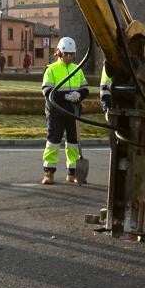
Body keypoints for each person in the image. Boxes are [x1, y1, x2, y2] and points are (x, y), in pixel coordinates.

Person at [39, 36, 88, 185]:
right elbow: (48, 92)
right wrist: (67, 96)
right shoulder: (51, 69)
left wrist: (79, 94)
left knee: (73, 143)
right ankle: (49, 172)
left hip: (73, 111)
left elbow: (85, 88)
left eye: (71, 54)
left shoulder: (77, 69)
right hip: (56, 112)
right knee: (53, 142)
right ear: (59, 53)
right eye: (66, 54)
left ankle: (72, 173)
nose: (69, 57)